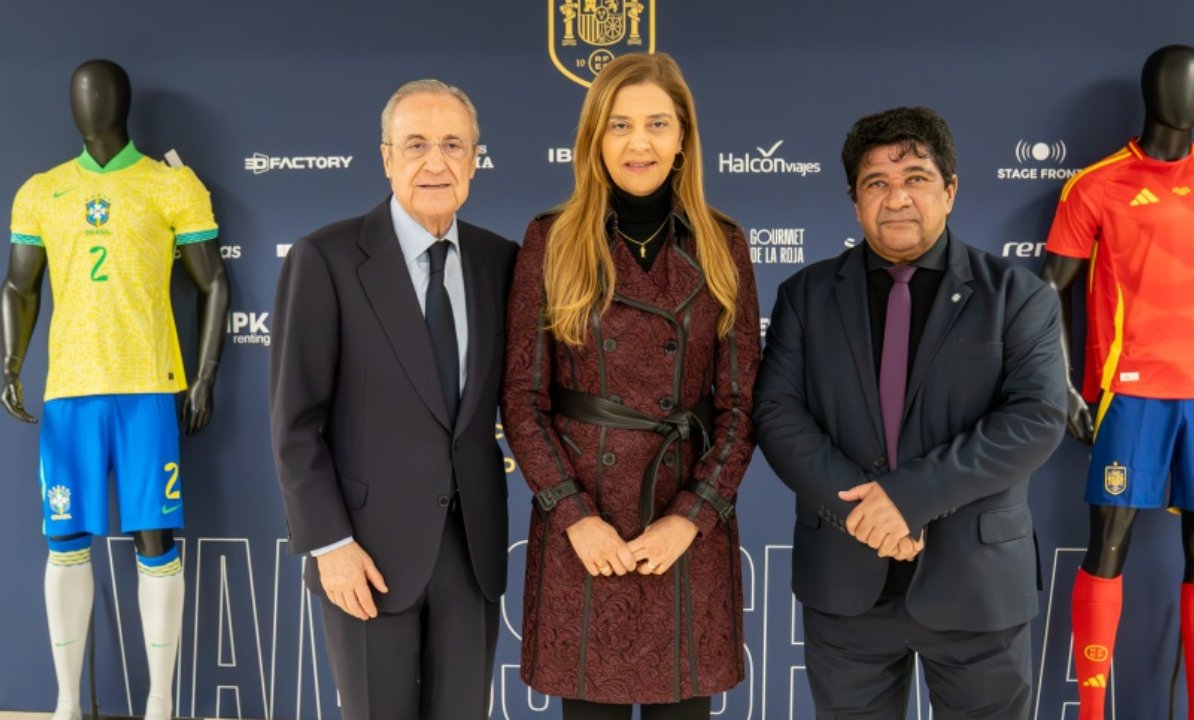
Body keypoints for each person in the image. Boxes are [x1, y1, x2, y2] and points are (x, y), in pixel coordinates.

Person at [754, 107, 1067, 719]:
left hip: (978, 589)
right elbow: (776, 412)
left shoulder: (1017, 294)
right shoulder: (806, 296)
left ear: (950, 191)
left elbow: (1035, 417)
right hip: (846, 586)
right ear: (854, 201)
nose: (897, 198)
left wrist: (907, 499)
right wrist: (865, 512)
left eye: (916, 178)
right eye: (876, 183)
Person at [502, 52, 758, 720]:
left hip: (684, 529)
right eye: (618, 125)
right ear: (593, 139)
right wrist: (574, 517)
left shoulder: (724, 244)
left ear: (683, 138)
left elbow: (738, 406)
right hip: (586, 531)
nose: (638, 143)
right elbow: (523, 404)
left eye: (656, 124)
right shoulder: (551, 240)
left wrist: (692, 517)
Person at [1041, 45, 1194, 720]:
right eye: (1176, 83)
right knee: (1107, 540)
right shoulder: (1094, 186)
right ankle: (1091, 713)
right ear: (1153, 92)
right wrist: (1062, 380)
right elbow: (1050, 288)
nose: (1188, 95)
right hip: (1129, 390)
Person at [269, 79, 518, 719]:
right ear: (386, 158)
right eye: (415, 145)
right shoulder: (324, 258)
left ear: (474, 157)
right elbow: (295, 423)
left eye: (452, 145)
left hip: (472, 556)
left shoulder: (503, 262)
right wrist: (329, 546)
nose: (435, 162)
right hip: (366, 558)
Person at [1, 59, 230, 720]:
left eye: (98, 95)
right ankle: (68, 702)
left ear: (118, 103)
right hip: (69, 392)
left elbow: (214, 282)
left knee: (154, 540)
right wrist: (11, 363)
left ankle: (160, 703)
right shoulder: (40, 192)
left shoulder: (171, 187)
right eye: (79, 95)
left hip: (147, 389)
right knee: (64, 541)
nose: (88, 105)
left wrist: (204, 376)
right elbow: (20, 286)